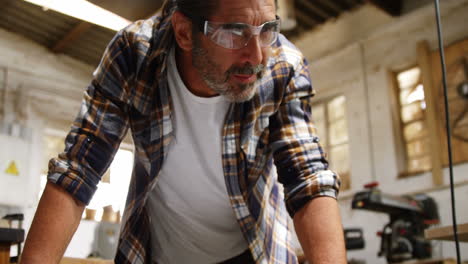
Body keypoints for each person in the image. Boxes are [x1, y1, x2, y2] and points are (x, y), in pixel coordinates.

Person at [21, 0, 346, 263]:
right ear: (184, 32)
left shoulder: (282, 66)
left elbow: (307, 180)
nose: (257, 56)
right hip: (159, 253)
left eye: (267, 30)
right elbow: (79, 169)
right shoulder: (134, 55)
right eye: (235, 32)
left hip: (253, 251)